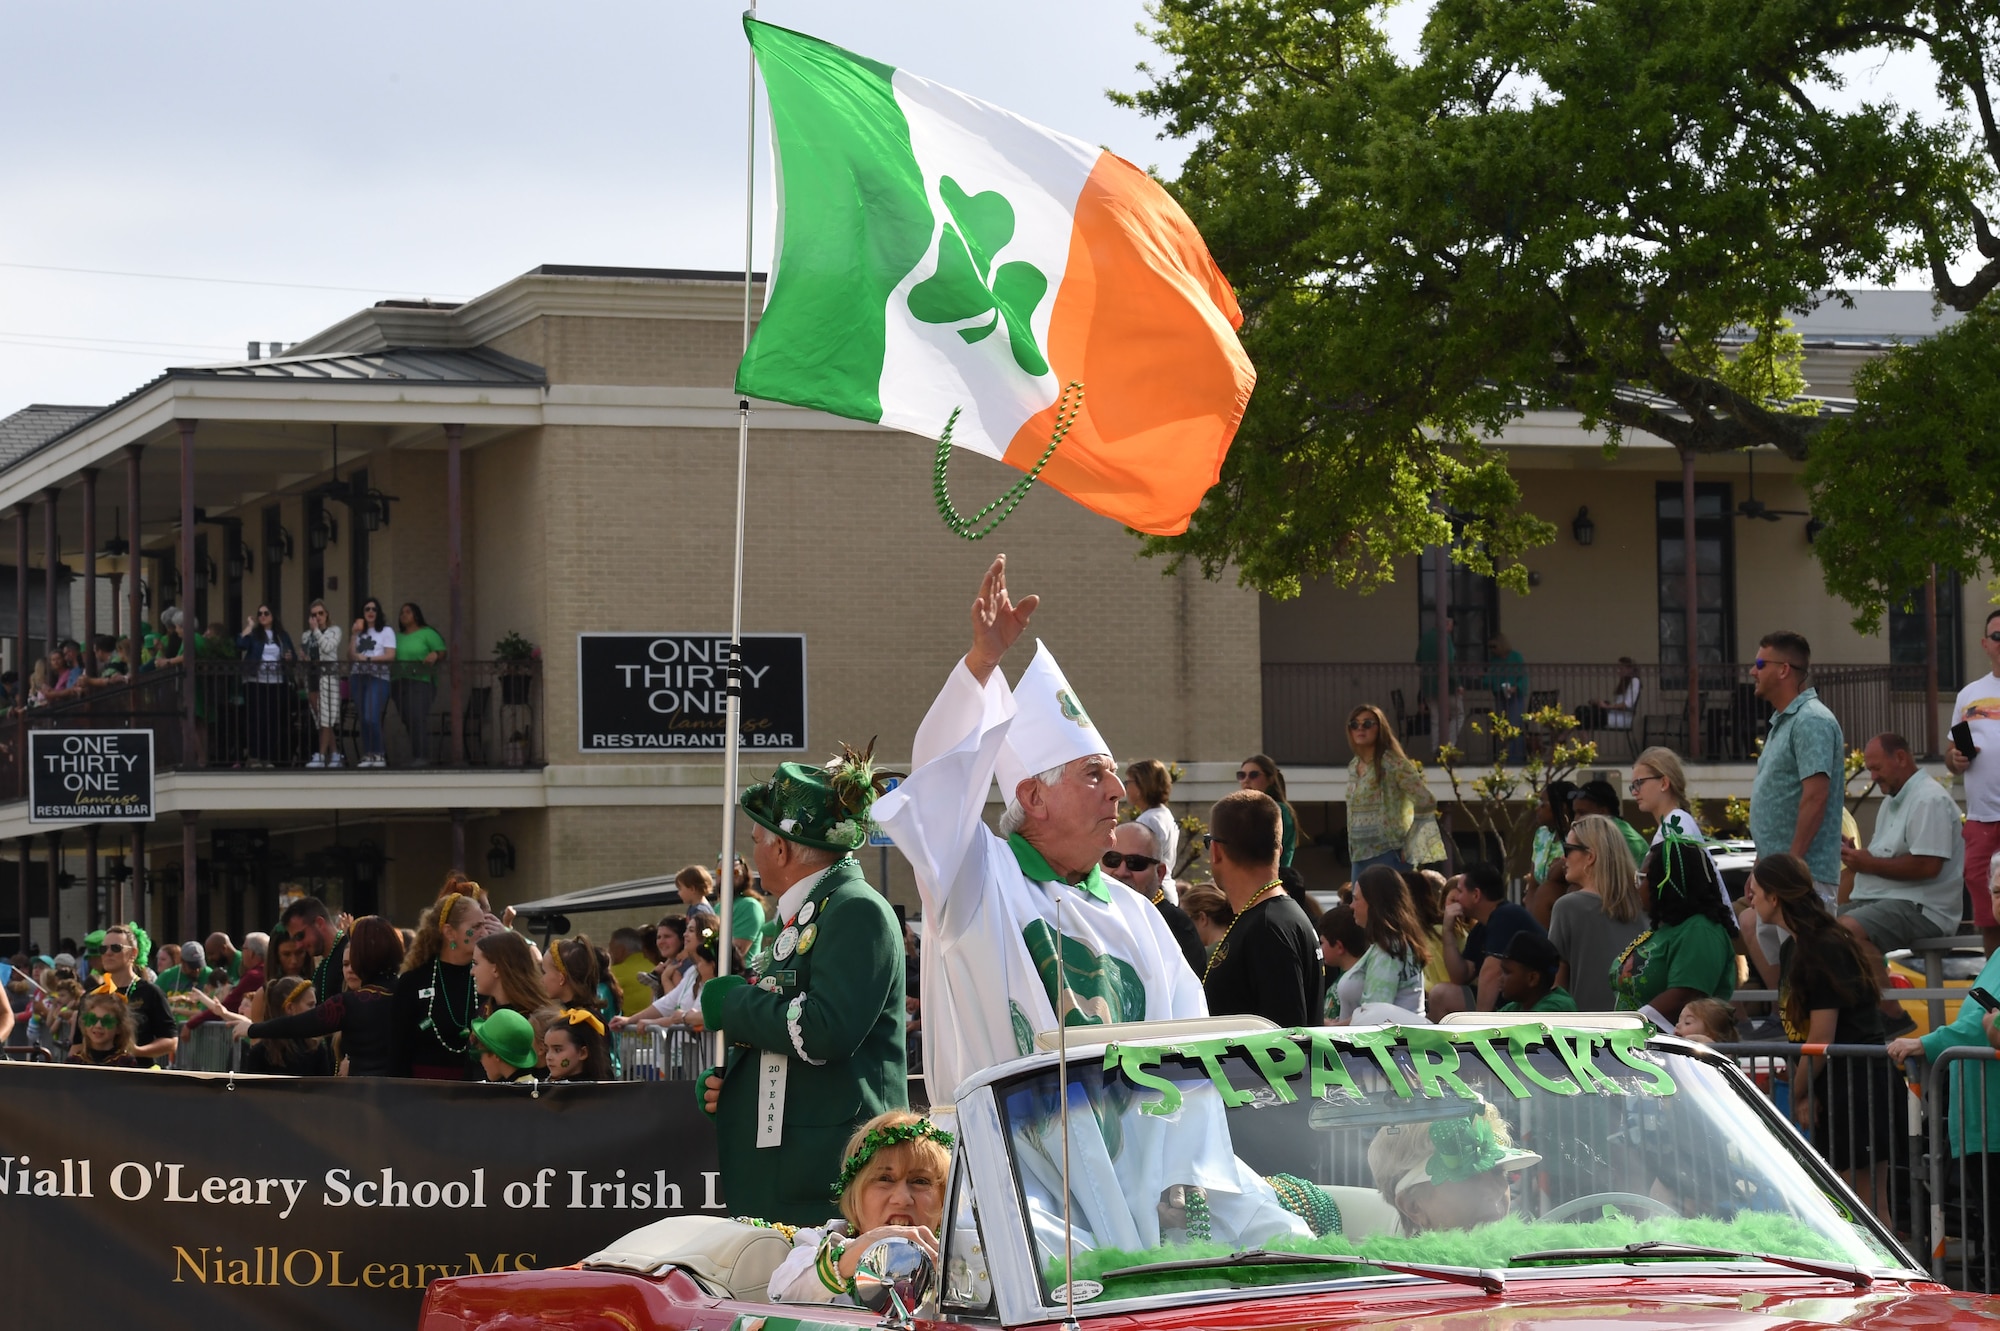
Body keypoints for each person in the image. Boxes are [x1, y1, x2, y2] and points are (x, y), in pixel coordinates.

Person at [870, 556, 1204, 1112]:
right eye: (1094, 774)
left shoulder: (1139, 914)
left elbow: (1188, 1049)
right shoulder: (977, 876)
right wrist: (982, 663)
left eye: (1116, 776)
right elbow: (936, 787)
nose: (1118, 792)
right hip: (1004, 1183)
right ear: (1032, 797)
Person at [697, 747, 906, 1224]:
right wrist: (732, 1082)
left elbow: (823, 1029)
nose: (751, 856)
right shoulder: (813, 909)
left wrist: (732, 1003)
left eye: (754, 841)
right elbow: (783, 1024)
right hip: (791, 1169)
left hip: (829, 1175)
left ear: (781, 849)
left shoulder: (856, 910)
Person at [1743, 852, 1897, 1217]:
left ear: (1775, 896)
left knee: (1866, 1205)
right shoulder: (1793, 946)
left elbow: (1821, 1037)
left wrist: (1796, 1094)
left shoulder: (1823, 946)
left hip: (1858, 1084)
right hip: (1830, 1083)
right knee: (1843, 1203)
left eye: (1756, 889)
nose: (1751, 897)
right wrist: (1805, 1094)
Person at [1889, 869, 2000, 1274]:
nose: (1999, 900)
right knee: (1987, 1228)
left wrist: (1928, 1042)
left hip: (1994, 1122)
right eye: (1996, 892)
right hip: (1981, 1118)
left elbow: (1984, 1024)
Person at [1840, 732, 1964, 1030]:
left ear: (1901, 758)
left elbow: (1928, 865)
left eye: (1876, 767)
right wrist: (1857, 856)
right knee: (1811, 926)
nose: (1872, 776)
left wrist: (1867, 862)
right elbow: (1889, 857)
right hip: (1891, 900)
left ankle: (1890, 1014)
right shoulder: (1893, 801)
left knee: (1844, 930)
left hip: (1925, 907)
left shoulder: (1929, 799)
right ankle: (1848, 1012)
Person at [765, 1111, 950, 1306]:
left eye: (920, 1181)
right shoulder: (819, 1244)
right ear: (855, 1194)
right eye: (884, 1179)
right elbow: (782, 1296)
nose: (902, 1199)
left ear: (944, 1197)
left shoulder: (969, 1254)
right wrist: (859, 1251)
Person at [1746, 629, 1844, 971]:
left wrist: (1789, 870)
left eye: (1760, 663)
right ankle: (1783, 1023)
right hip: (1780, 878)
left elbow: (1815, 798)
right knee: (1789, 976)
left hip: (1804, 879)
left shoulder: (1812, 720)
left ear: (1784, 669)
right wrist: (1762, 868)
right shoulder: (1783, 724)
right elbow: (1778, 806)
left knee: (1811, 978)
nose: (1752, 671)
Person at [218, 915, 404, 1076]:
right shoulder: (407, 989)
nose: (350, 966)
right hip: (411, 1094)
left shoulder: (351, 1003)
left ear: (364, 956)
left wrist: (253, 1029)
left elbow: (301, 1023)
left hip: (369, 1096)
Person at [1202, 790, 1322, 1027]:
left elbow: (1286, 1044)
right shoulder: (1278, 917)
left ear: (1215, 850)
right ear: (1278, 849)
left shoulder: (1268, 927)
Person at [1613, 835, 1738, 1028]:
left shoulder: (1700, 930)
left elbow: (1683, 996)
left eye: (1642, 878)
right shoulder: (1666, 928)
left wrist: (1626, 1028)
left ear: (1665, 883)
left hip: (1675, 1054)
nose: (1636, 887)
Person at [1367, 1103, 1540, 1234]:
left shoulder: (1534, 1265)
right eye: (1467, 1176)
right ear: (1414, 1207)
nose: (1494, 1192)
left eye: (1498, 1172)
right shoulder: (1398, 1280)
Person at [1547, 814, 1645, 1012]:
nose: (1563, 858)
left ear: (1590, 856)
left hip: (1585, 1032)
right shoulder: (1642, 905)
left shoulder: (1568, 907)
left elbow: (1555, 985)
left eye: (1568, 850)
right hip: (1637, 1028)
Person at [1946, 608, 2000, 955]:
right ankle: (1995, 995)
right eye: (1997, 636)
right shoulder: (1969, 695)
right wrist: (1955, 758)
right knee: (1987, 916)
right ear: (1985, 644)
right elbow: (1952, 755)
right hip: (1981, 821)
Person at [1428, 862, 1543, 1018]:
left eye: (1460, 892)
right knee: (1440, 995)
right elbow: (1460, 976)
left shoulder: (1506, 915)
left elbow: (1491, 973)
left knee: (1441, 994)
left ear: (1476, 895)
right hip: (1509, 1002)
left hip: (1534, 1004)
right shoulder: (1481, 928)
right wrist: (1447, 931)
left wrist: (1481, 1028)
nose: (1457, 899)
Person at [392, 889, 483, 1078]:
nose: (485, 932)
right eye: (476, 926)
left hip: (476, 1092)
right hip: (424, 1094)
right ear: (449, 932)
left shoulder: (487, 978)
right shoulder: (413, 982)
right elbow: (397, 1051)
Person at [1343, 704, 1442, 875]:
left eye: (1367, 724)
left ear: (1380, 728)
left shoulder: (1393, 762)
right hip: (1359, 855)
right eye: (1354, 724)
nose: (1360, 728)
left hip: (1390, 853)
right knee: (1356, 902)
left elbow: (1426, 800)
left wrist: (1411, 843)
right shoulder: (1354, 765)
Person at [1628, 747, 1728, 913]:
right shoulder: (1675, 822)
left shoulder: (1676, 824)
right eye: (1633, 785)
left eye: (1639, 783)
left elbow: (1682, 895)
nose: (1634, 792)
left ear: (1664, 783)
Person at [1103, 820, 1205, 978]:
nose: (1121, 872)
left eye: (1135, 863)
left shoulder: (1175, 926)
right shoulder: (1084, 911)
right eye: (1112, 859)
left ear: (1160, 873)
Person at [1330, 865, 1428, 1022]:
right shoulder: (1392, 945)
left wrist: (1332, 1029)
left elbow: (1373, 1016)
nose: (1351, 906)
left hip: (1390, 1044)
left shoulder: (1389, 950)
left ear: (1374, 904)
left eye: (1356, 899)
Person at [84, 924, 176, 1066]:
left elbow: (171, 1041)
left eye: (116, 948)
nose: (108, 953)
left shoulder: (151, 993)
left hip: (138, 1077)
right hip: (97, 1076)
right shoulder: (91, 995)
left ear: (133, 953)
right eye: (103, 949)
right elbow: (77, 1044)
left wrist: (137, 1051)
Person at [237, 977, 336, 1076]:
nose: (315, 1011)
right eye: (310, 1005)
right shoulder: (261, 1052)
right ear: (290, 1008)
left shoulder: (315, 1048)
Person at [237, 604, 296, 768]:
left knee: (272, 721)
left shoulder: (282, 636)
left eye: (266, 613)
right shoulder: (255, 635)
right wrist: (249, 626)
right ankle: (254, 756)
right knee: (256, 720)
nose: (262, 616)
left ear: (273, 616)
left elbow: (293, 657)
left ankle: (266, 757)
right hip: (255, 681)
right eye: (260, 613)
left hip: (276, 682)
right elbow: (240, 643)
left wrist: (290, 656)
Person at [1237, 753, 1306, 887]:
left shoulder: (1277, 810)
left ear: (1271, 779)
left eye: (1253, 775)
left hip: (1271, 882)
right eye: (1241, 775)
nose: (1246, 780)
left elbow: (1262, 851)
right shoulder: (1244, 810)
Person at [393, 601, 446, 767]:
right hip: (399, 682)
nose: (404, 615)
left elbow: (442, 651)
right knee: (408, 719)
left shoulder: (427, 633)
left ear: (416, 614)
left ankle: (422, 757)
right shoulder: (397, 636)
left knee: (417, 717)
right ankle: (418, 755)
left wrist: (435, 655)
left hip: (421, 681)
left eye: (408, 611)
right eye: (402, 612)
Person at [347, 596, 396, 768]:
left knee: (371, 716)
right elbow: (350, 656)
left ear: (378, 612)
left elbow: (390, 655)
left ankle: (379, 754)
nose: (370, 612)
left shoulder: (386, 631)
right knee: (364, 718)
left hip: (378, 678)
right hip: (358, 677)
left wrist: (369, 659)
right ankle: (368, 754)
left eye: (374, 609)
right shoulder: (360, 632)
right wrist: (354, 634)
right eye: (367, 609)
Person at [1124, 759, 1181, 902]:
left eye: (1128, 782)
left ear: (1142, 785)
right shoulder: (1163, 814)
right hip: (1166, 891)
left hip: (1155, 895)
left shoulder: (1148, 820)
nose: (1126, 788)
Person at [1524, 779, 1579, 925]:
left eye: (1543, 803)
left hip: (1567, 904)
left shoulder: (1578, 836)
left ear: (1562, 807)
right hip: (1541, 907)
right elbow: (1533, 882)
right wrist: (1530, 906)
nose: (1538, 809)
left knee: (1546, 890)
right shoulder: (1541, 834)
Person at [299, 599, 344, 769]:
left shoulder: (334, 631)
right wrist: (303, 658)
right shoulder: (306, 634)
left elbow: (327, 647)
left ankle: (321, 755)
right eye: (314, 614)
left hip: (328, 677)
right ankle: (335, 754)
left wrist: (317, 631)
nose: (317, 617)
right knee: (321, 719)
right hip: (312, 676)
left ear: (326, 615)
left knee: (326, 717)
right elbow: (308, 654)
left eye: (320, 613)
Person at [1569, 780, 1650, 869]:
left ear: (1603, 811)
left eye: (1582, 813)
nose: (1576, 820)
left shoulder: (1616, 835)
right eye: (1575, 813)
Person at [283, 896, 349, 1004]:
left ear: (319, 923)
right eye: (294, 939)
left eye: (300, 936)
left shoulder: (350, 955)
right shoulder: (323, 967)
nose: (298, 945)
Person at [474, 930, 552, 1018]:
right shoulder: (486, 1011)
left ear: (496, 969)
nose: (472, 972)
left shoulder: (535, 1021)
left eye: (476, 963)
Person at [1495, 931, 1576, 1013]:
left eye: (1507, 972)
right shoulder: (1515, 1007)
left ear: (1532, 978)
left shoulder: (1555, 1007)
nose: (1500, 979)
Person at [1316, 905, 1369, 1023]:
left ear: (1339, 947)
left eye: (1322, 942)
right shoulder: (1342, 975)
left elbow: (1365, 1015)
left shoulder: (1359, 979)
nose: (1320, 948)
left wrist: (1333, 1026)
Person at [1483, 634, 1529, 763]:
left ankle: (1516, 758)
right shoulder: (1494, 660)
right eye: (1489, 647)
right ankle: (1505, 756)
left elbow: (1523, 677)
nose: (1492, 649)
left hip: (1515, 697)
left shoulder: (1515, 657)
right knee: (1502, 726)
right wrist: (1482, 679)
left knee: (1514, 726)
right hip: (1500, 695)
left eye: (1494, 646)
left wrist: (1516, 687)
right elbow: (1489, 678)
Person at [66, 990, 142, 1067]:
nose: (98, 1025)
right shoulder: (75, 1061)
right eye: (92, 1019)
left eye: (106, 1021)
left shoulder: (125, 1062)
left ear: (119, 1028)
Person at [472, 1007, 541, 1084]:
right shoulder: (535, 1088)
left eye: (479, 1053)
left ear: (496, 1055)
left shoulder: (512, 1094)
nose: (480, 1060)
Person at [544, 1008, 611, 1083]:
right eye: (547, 1050)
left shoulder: (593, 1091)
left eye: (557, 1050)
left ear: (583, 1053)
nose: (548, 1057)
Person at [1582, 658, 1642, 732]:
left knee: (1582, 714)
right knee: (1581, 711)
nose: (1618, 671)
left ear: (1629, 669)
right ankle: (1564, 737)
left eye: (1621, 668)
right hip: (1613, 714)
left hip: (1621, 718)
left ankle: (1567, 738)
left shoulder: (1635, 681)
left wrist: (1607, 706)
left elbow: (1628, 704)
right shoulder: (1624, 683)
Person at [607, 928, 655, 1017]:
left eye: (610, 948)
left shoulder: (613, 972)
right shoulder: (655, 966)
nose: (608, 952)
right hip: (657, 1028)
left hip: (629, 1028)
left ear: (620, 950)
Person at [1179, 884, 1233, 957]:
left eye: (1185, 920)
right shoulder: (1241, 943)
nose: (1183, 928)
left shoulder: (1205, 958)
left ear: (1202, 918)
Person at [1674, 996, 1739, 1044]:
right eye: (1679, 1021)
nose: (1677, 1025)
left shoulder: (1726, 1057)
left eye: (1687, 1022)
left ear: (1710, 1033)